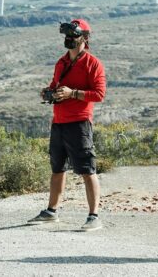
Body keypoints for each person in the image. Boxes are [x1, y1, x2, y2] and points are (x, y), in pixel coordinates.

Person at [28, 18, 107, 231]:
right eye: (67, 36)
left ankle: (93, 216)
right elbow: (55, 85)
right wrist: (49, 93)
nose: (69, 39)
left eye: (73, 36)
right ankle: (51, 211)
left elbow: (99, 94)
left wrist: (73, 93)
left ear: (85, 38)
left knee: (87, 169)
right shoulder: (61, 62)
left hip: (79, 123)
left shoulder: (93, 64)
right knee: (57, 168)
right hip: (59, 122)